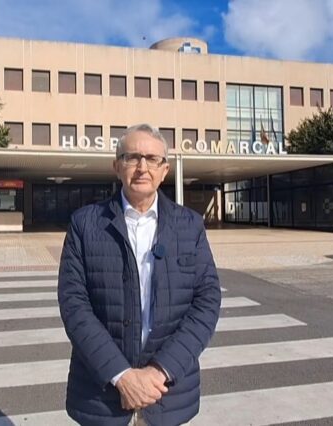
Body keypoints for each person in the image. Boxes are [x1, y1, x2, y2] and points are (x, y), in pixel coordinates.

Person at [58, 123, 222, 425]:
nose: (142, 167)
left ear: (164, 170)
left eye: (152, 159)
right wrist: (122, 376)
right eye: (132, 157)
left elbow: (207, 302)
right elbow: (74, 306)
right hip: (102, 394)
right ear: (117, 166)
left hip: (167, 392)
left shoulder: (190, 226)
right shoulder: (85, 225)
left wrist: (159, 371)